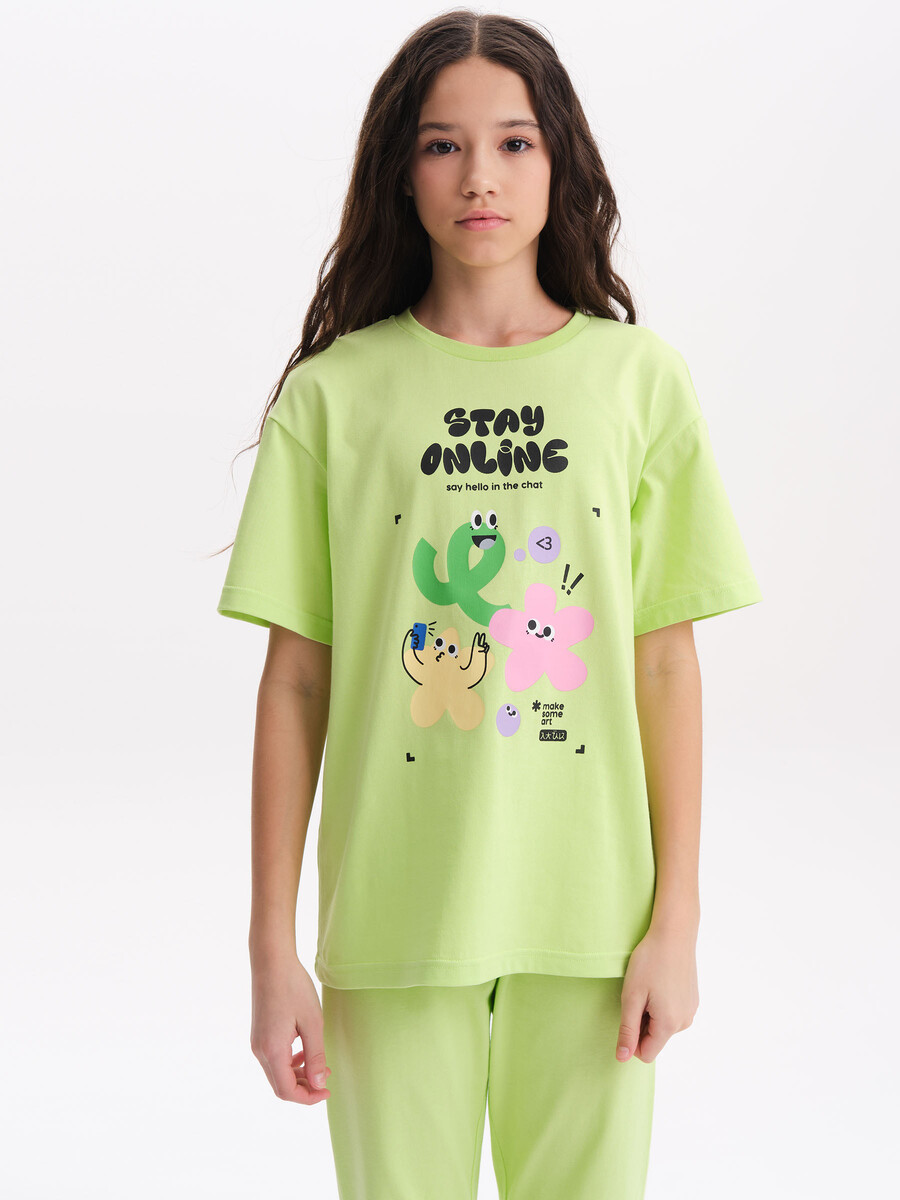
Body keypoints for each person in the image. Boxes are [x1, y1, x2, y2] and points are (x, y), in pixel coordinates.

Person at [214, 10, 763, 1198]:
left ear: (561, 160)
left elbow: (663, 662)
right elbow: (296, 681)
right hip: (393, 930)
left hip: (594, 928)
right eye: (441, 144)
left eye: (515, 142)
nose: (480, 177)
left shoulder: (638, 381)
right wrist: (271, 947)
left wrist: (676, 920)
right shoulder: (333, 397)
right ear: (399, 172)